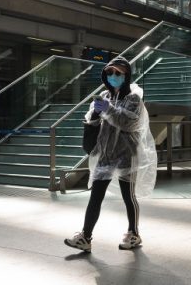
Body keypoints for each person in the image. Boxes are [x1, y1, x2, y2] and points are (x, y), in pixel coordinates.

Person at [64, 57, 157, 253]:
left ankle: (134, 233)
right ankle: (85, 237)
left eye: (118, 73)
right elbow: (94, 123)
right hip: (105, 154)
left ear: (126, 76)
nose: (113, 76)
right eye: (109, 73)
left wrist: (107, 110)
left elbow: (130, 123)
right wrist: (96, 115)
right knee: (95, 196)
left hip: (126, 155)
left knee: (128, 196)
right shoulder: (104, 96)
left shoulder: (133, 99)